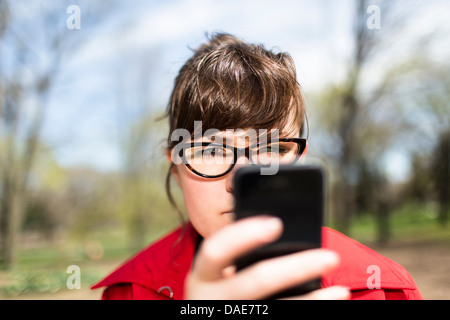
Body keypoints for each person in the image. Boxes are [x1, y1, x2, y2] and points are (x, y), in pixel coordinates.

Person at [91, 33, 423, 300]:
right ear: (176, 168)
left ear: (298, 160)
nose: (241, 178)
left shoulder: (382, 290)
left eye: (271, 148)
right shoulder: (130, 292)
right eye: (209, 148)